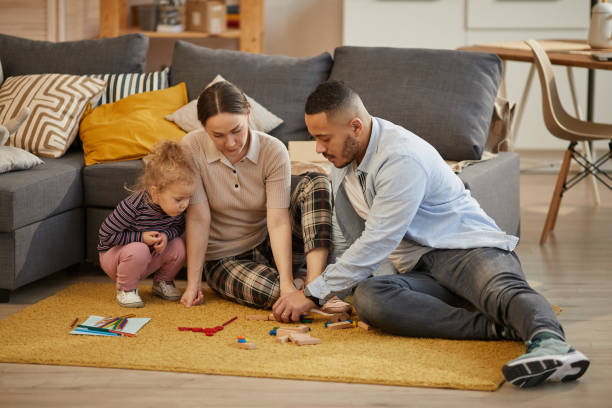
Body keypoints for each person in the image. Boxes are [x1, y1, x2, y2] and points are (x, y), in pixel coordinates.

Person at [273, 80, 589, 389]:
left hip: (467, 250)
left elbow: (379, 240)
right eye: (315, 138)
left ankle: (551, 343)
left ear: (355, 126)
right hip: (419, 269)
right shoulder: (342, 161)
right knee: (371, 298)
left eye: (324, 138)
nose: (319, 149)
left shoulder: (400, 158)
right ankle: (498, 329)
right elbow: (353, 236)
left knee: (501, 291)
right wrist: (341, 290)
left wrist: (312, 292)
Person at [179, 81, 337, 316]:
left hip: (270, 245)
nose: (230, 143)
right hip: (225, 259)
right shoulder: (191, 147)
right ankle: (302, 287)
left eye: (237, 130)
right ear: (202, 127)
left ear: (248, 115)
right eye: (218, 135)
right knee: (275, 295)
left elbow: (278, 221)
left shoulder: (273, 149)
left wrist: (286, 282)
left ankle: (311, 287)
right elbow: (198, 218)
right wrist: (193, 284)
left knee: (318, 181)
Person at [98, 140, 196, 308]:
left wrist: (166, 235)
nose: (184, 204)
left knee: (179, 245)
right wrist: (140, 237)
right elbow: (105, 235)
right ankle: (126, 289)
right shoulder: (133, 206)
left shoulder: (177, 209)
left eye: (188, 198)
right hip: (115, 257)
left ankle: (162, 282)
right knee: (139, 249)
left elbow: (178, 228)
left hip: (148, 257)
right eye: (179, 199)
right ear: (155, 192)